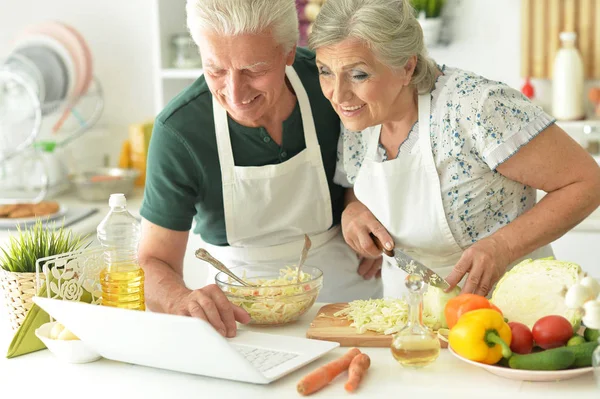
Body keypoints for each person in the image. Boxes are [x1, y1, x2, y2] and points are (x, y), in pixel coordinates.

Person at [309, 0, 600, 298]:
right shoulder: (358, 114)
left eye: (358, 75)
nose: (337, 93)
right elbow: (356, 184)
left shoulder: (476, 107)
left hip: (510, 312)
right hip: (410, 319)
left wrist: (503, 245)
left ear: (407, 67)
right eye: (325, 71)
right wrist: (354, 210)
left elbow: (587, 182)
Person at [138, 0, 383, 338]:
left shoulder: (328, 83)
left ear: (288, 53)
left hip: (349, 301)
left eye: (254, 70)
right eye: (216, 70)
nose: (235, 93)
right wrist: (180, 298)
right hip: (239, 318)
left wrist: (363, 205)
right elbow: (152, 261)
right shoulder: (180, 131)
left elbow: (380, 146)